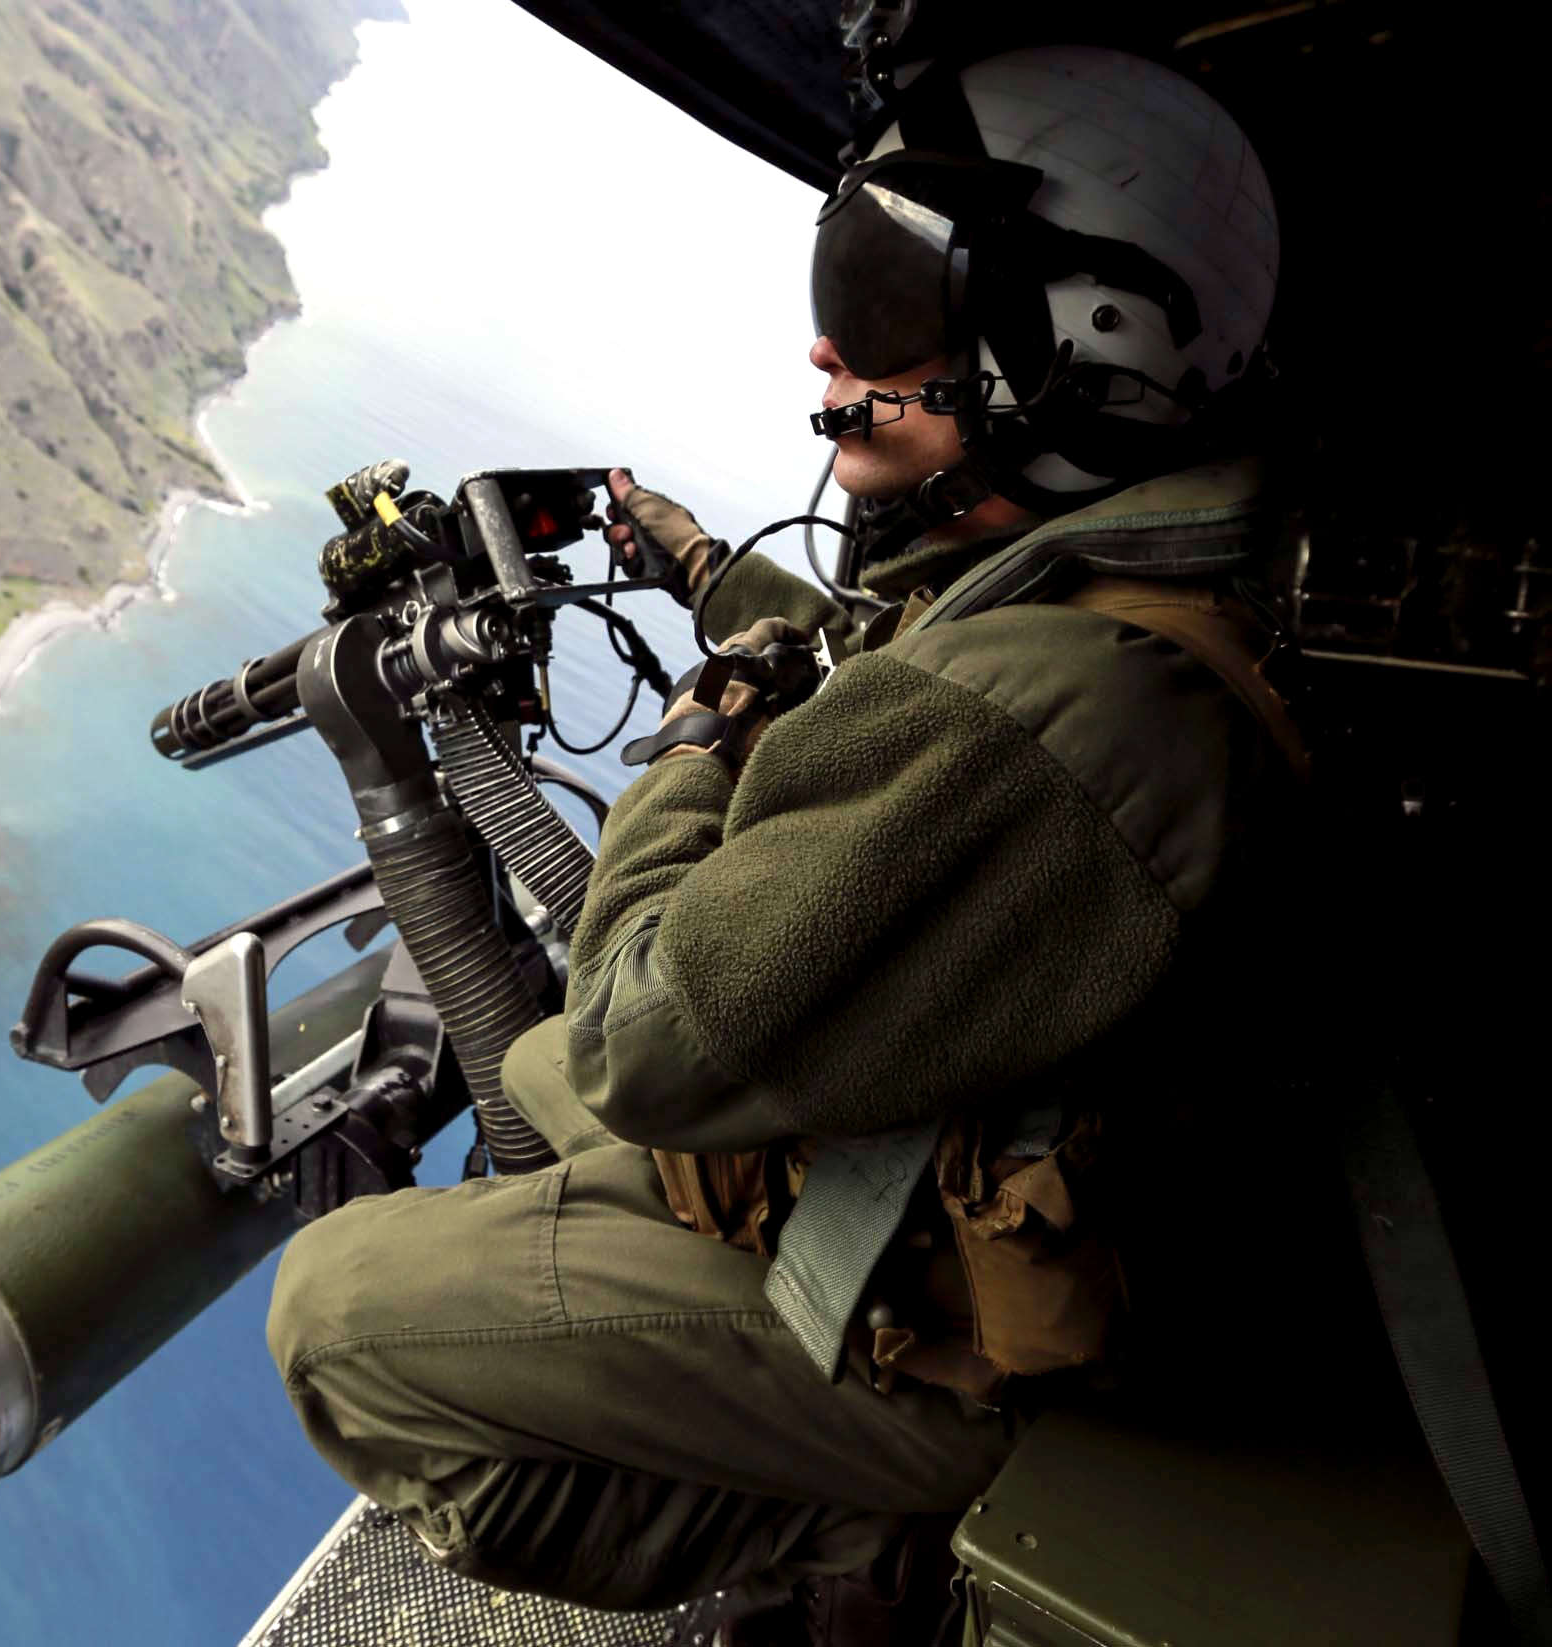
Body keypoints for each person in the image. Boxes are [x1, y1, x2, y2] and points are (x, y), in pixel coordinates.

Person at [264, 41, 1304, 1646]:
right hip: (979, 1194)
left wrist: (694, 738)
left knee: (339, 1320)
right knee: (532, 1078)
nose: (830, 353)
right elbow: (900, 664)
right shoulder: (1124, 596)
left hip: (981, 1359)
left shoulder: (1043, 722)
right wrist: (699, 571)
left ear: (1074, 353)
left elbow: (634, 1036)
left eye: (889, 314)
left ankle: (853, 1531)